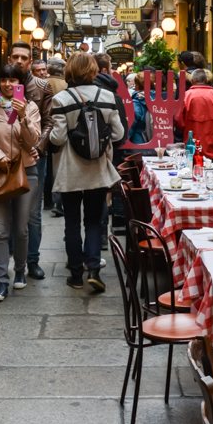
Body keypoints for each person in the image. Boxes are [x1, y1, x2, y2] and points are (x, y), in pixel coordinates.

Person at [50, 51, 124, 293]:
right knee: (94, 220)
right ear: (94, 71)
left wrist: (49, 137)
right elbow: (119, 134)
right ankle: (94, 268)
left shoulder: (61, 99)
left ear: (69, 70)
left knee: (72, 222)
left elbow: (58, 137)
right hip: (98, 171)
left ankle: (75, 274)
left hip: (71, 171)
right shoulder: (108, 96)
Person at [0, 64, 41, 302]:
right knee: (0, 231)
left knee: (21, 229)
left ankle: (20, 271)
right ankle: (2, 280)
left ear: (21, 83)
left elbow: (33, 139)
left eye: (14, 80)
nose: (8, 84)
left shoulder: (30, 107)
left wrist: (22, 116)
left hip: (26, 172)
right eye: (4, 79)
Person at [9, 39, 53, 280]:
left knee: (33, 213)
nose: (19, 61)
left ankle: (32, 260)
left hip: (35, 158)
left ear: (30, 62)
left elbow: (49, 121)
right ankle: (10, 256)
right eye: (15, 57)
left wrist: (38, 146)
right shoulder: (3, 84)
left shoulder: (42, 86)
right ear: (9, 59)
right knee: (8, 207)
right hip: (8, 157)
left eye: (24, 58)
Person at [94, 53, 128, 251]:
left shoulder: (80, 92)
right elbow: (121, 132)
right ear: (106, 70)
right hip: (110, 153)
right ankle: (104, 235)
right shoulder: (113, 95)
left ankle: (96, 237)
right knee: (106, 194)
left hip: (84, 156)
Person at [175, 68, 213, 164]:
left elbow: (178, 120)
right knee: (212, 175)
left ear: (192, 80)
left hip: (191, 147)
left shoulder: (186, 96)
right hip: (212, 148)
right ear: (207, 80)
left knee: (190, 176)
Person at [45, 57, 67, 218]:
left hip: (41, 130)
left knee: (45, 167)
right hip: (60, 130)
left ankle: (47, 200)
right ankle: (58, 201)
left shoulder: (42, 84)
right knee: (58, 167)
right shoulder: (66, 86)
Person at [128, 71, 152, 145]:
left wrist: (124, 139)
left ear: (136, 85)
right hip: (154, 140)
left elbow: (132, 123)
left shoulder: (136, 101)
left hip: (139, 141)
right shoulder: (156, 98)